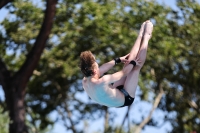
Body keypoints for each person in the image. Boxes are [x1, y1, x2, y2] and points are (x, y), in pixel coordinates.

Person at [79, 20, 153, 107]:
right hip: (126, 98)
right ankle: (146, 37)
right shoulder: (103, 81)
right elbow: (124, 73)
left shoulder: (86, 80)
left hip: (113, 92)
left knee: (127, 64)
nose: (98, 65)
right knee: (135, 68)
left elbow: (103, 68)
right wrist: (133, 63)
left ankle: (140, 34)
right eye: (96, 64)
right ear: (95, 71)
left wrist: (118, 60)